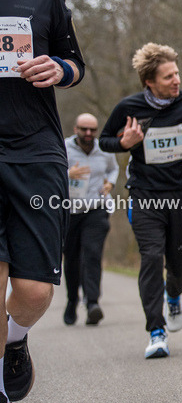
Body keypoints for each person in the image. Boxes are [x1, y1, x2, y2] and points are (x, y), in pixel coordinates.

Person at [0, 0, 87, 403]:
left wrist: (58, 68)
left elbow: (77, 63)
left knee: (34, 290)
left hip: (34, 151)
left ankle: (15, 338)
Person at [98, 43, 182, 359]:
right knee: (152, 257)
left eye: (177, 73)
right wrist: (123, 142)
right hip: (145, 195)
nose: (176, 80)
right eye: (169, 76)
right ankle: (156, 332)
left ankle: (174, 294)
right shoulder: (129, 107)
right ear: (150, 82)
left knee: (180, 263)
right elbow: (105, 141)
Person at [63, 113, 119, 325]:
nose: (88, 134)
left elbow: (114, 169)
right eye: (84, 129)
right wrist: (67, 174)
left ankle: (93, 302)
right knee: (72, 258)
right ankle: (71, 300)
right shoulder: (63, 148)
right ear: (75, 128)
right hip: (69, 211)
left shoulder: (104, 149)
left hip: (96, 208)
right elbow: (49, 172)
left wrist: (110, 184)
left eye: (92, 130)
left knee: (92, 254)